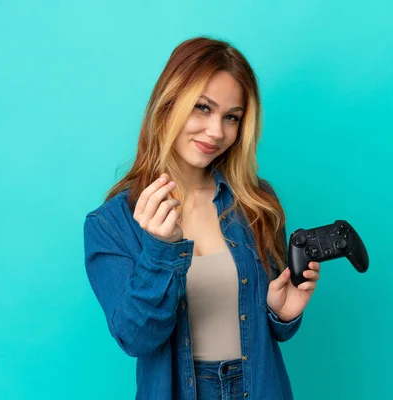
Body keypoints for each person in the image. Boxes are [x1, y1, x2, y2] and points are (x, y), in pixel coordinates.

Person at [83, 36, 321, 400]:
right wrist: (161, 250)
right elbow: (136, 338)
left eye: (232, 118)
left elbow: (271, 330)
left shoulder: (256, 203)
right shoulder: (111, 224)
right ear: (169, 103)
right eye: (202, 108)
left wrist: (280, 314)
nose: (216, 132)